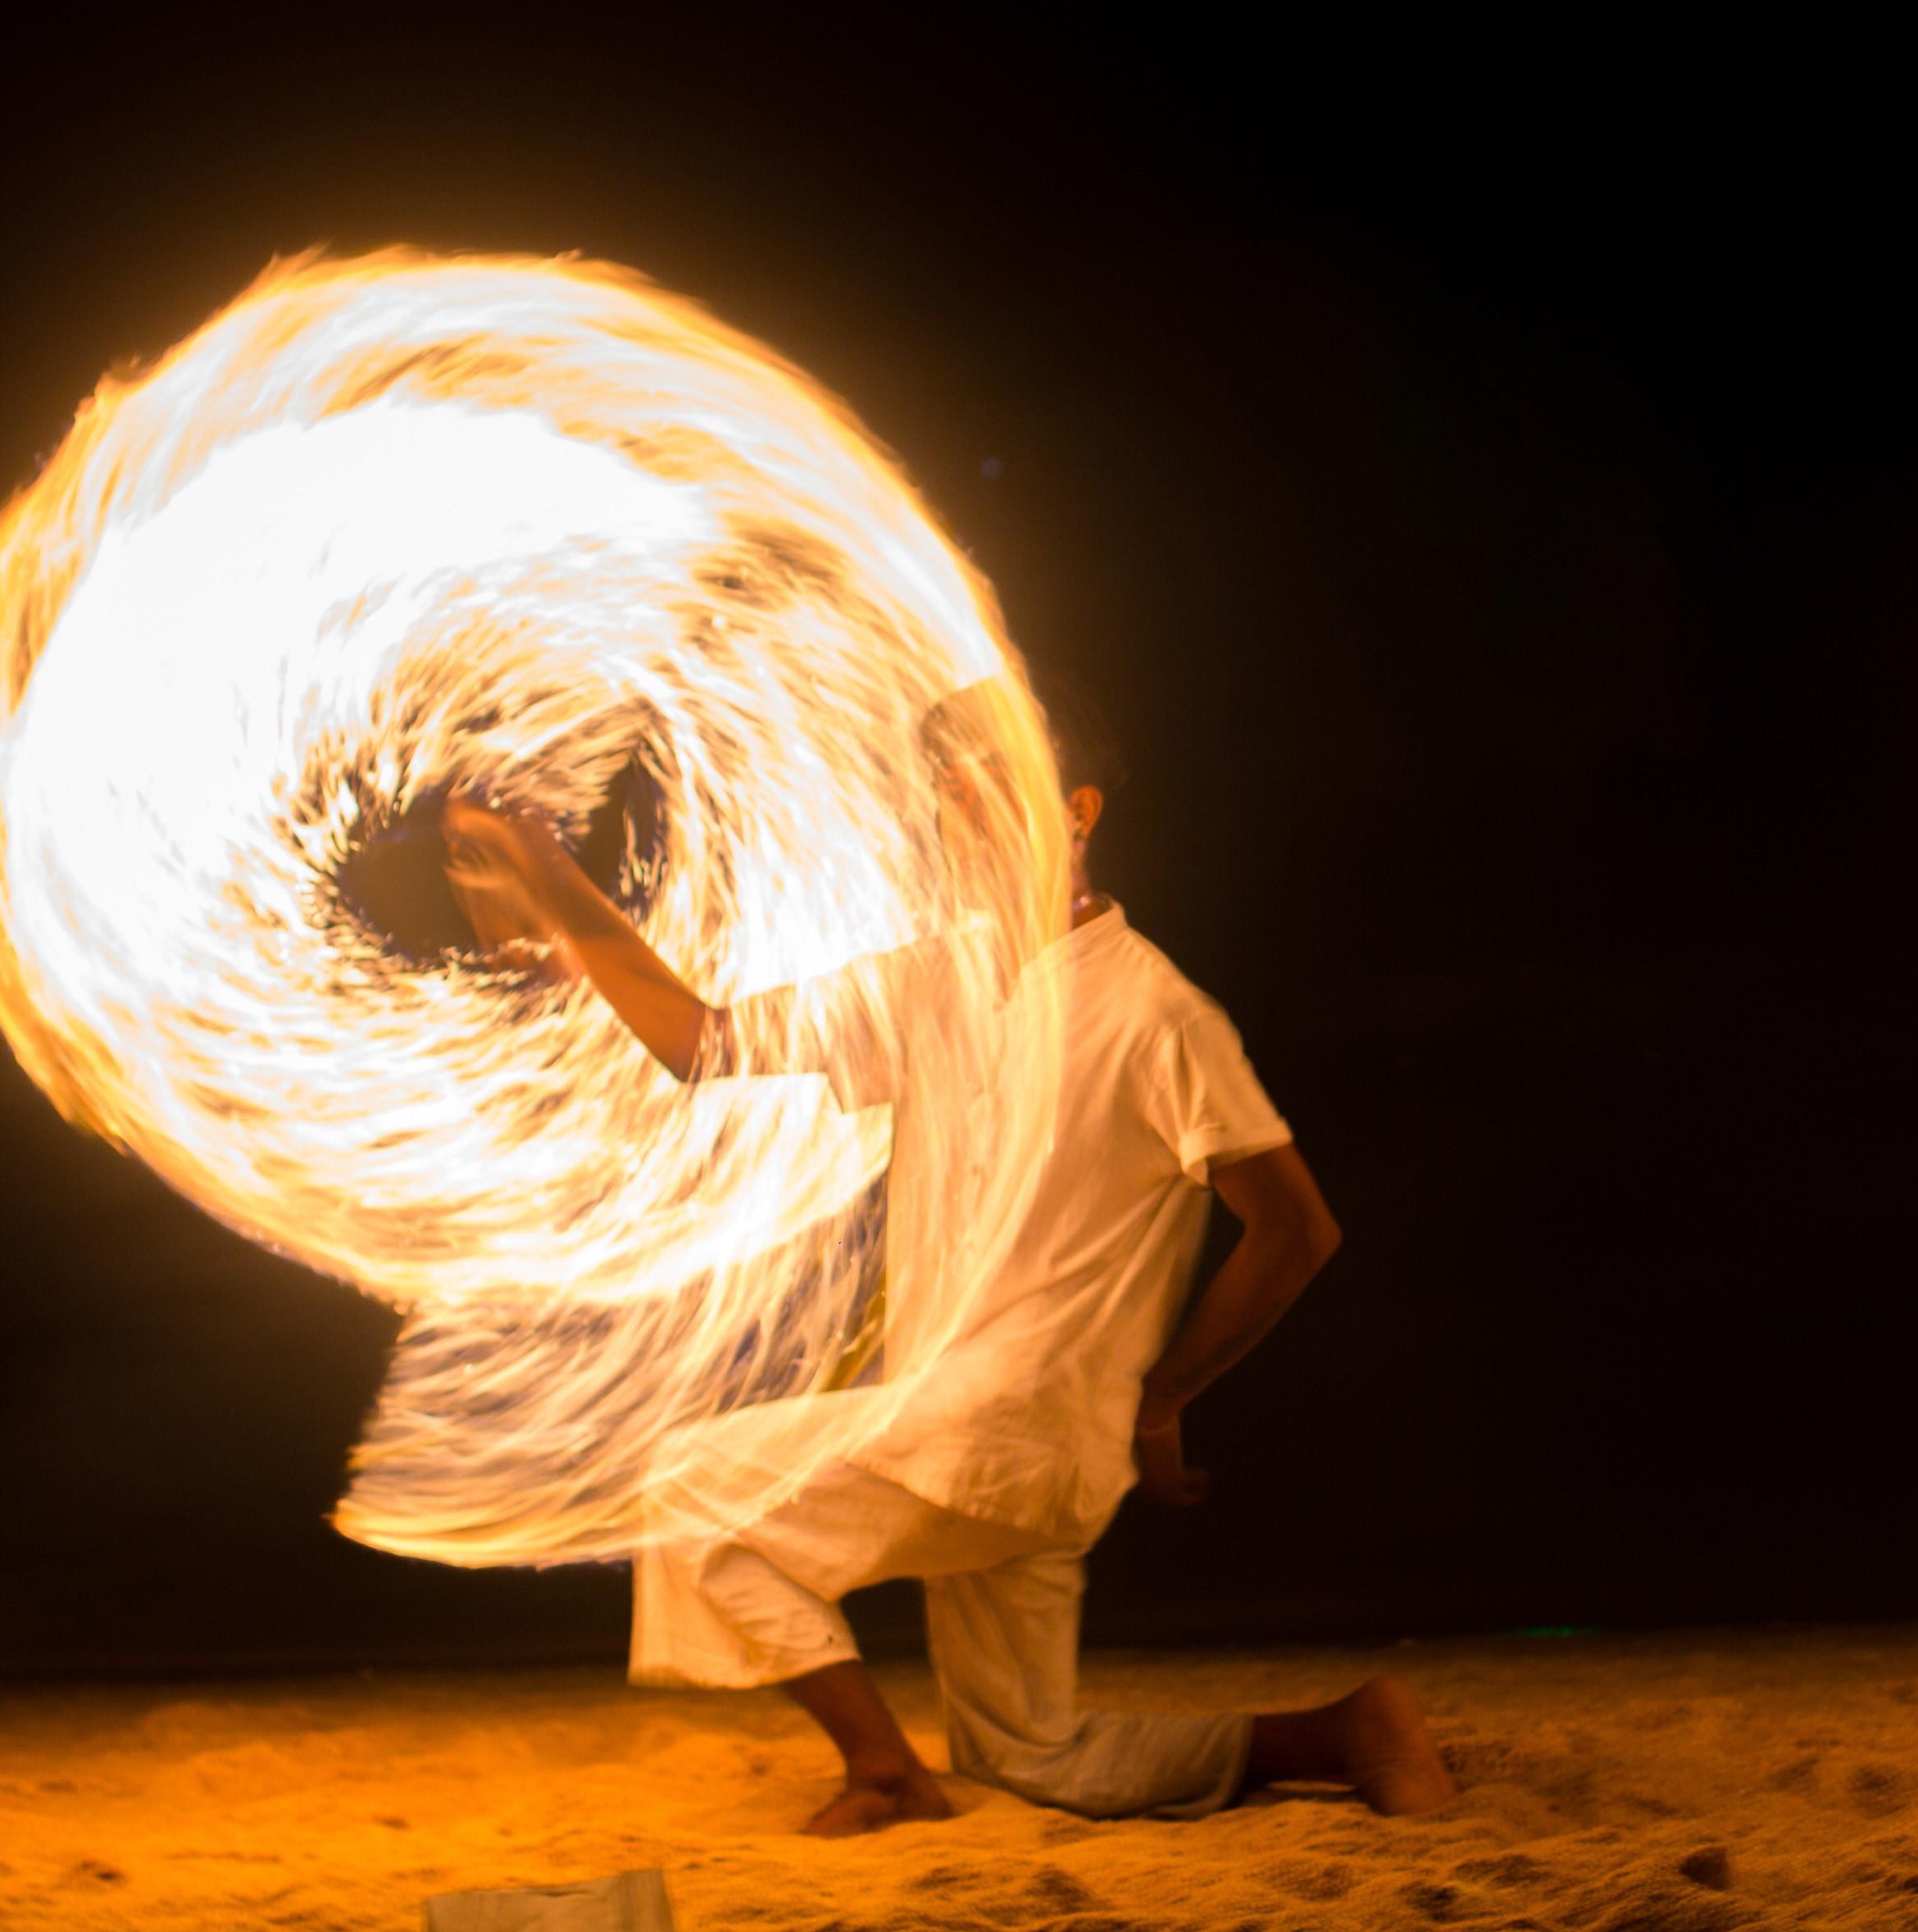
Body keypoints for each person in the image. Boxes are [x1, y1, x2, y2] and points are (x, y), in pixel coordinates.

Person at [439, 721, 1457, 1835]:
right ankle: (1348, 1729)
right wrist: (552, 877)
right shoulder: (932, 980)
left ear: (1079, 810)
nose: (963, 816)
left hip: (1011, 1424)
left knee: (693, 1490)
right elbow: (704, 1047)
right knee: (1032, 1755)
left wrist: (1167, 1395)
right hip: (970, 1422)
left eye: (992, 787)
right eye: (949, 796)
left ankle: (882, 1772)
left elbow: (1296, 1229)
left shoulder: (1157, 1013)